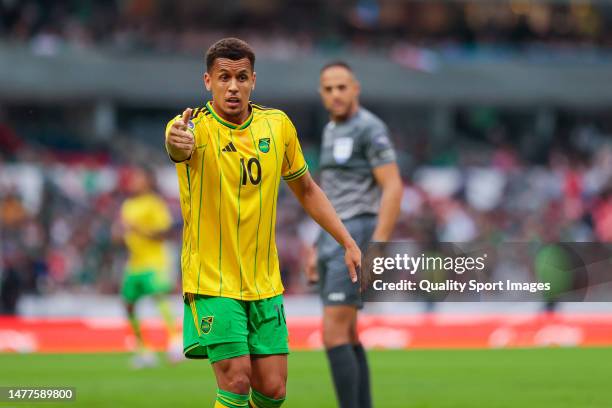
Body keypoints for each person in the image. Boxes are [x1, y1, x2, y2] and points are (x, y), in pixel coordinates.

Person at [164, 38, 361, 408]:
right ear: (208, 81)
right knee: (236, 381)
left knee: (273, 390)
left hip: (264, 282)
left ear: (254, 79)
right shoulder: (192, 127)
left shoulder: (277, 125)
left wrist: (346, 240)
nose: (233, 86)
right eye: (224, 77)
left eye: (241, 77)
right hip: (212, 280)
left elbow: (305, 187)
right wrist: (177, 140)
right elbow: (177, 146)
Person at [307, 61, 403, 408]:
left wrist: (378, 243)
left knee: (332, 332)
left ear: (355, 88)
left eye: (342, 87)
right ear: (321, 94)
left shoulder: (369, 128)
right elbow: (326, 195)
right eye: (329, 89)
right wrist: (315, 245)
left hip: (358, 232)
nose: (335, 94)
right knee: (346, 332)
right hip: (334, 237)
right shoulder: (331, 130)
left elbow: (392, 186)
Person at [115, 166, 181, 368]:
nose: (134, 181)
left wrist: (138, 229)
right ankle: (143, 349)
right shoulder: (127, 205)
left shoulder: (154, 203)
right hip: (134, 263)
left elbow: (163, 233)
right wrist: (118, 235)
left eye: (139, 178)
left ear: (149, 181)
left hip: (154, 261)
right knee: (128, 304)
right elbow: (122, 235)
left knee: (159, 297)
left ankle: (176, 341)